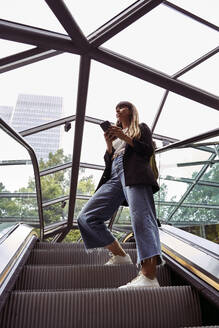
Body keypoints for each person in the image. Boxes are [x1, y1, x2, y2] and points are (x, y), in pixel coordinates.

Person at [77, 101, 162, 288]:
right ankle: (120, 255)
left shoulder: (140, 128)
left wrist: (125, 137)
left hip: (134, 173)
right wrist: (109, 145)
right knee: (86, 217)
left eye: (122, 107)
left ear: (131, 111)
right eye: (116, 107)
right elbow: (109, 165)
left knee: (141, 218)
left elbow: (147, 150)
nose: (117, 109)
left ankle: (149, 276)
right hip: (115, 176)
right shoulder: (115, 138)